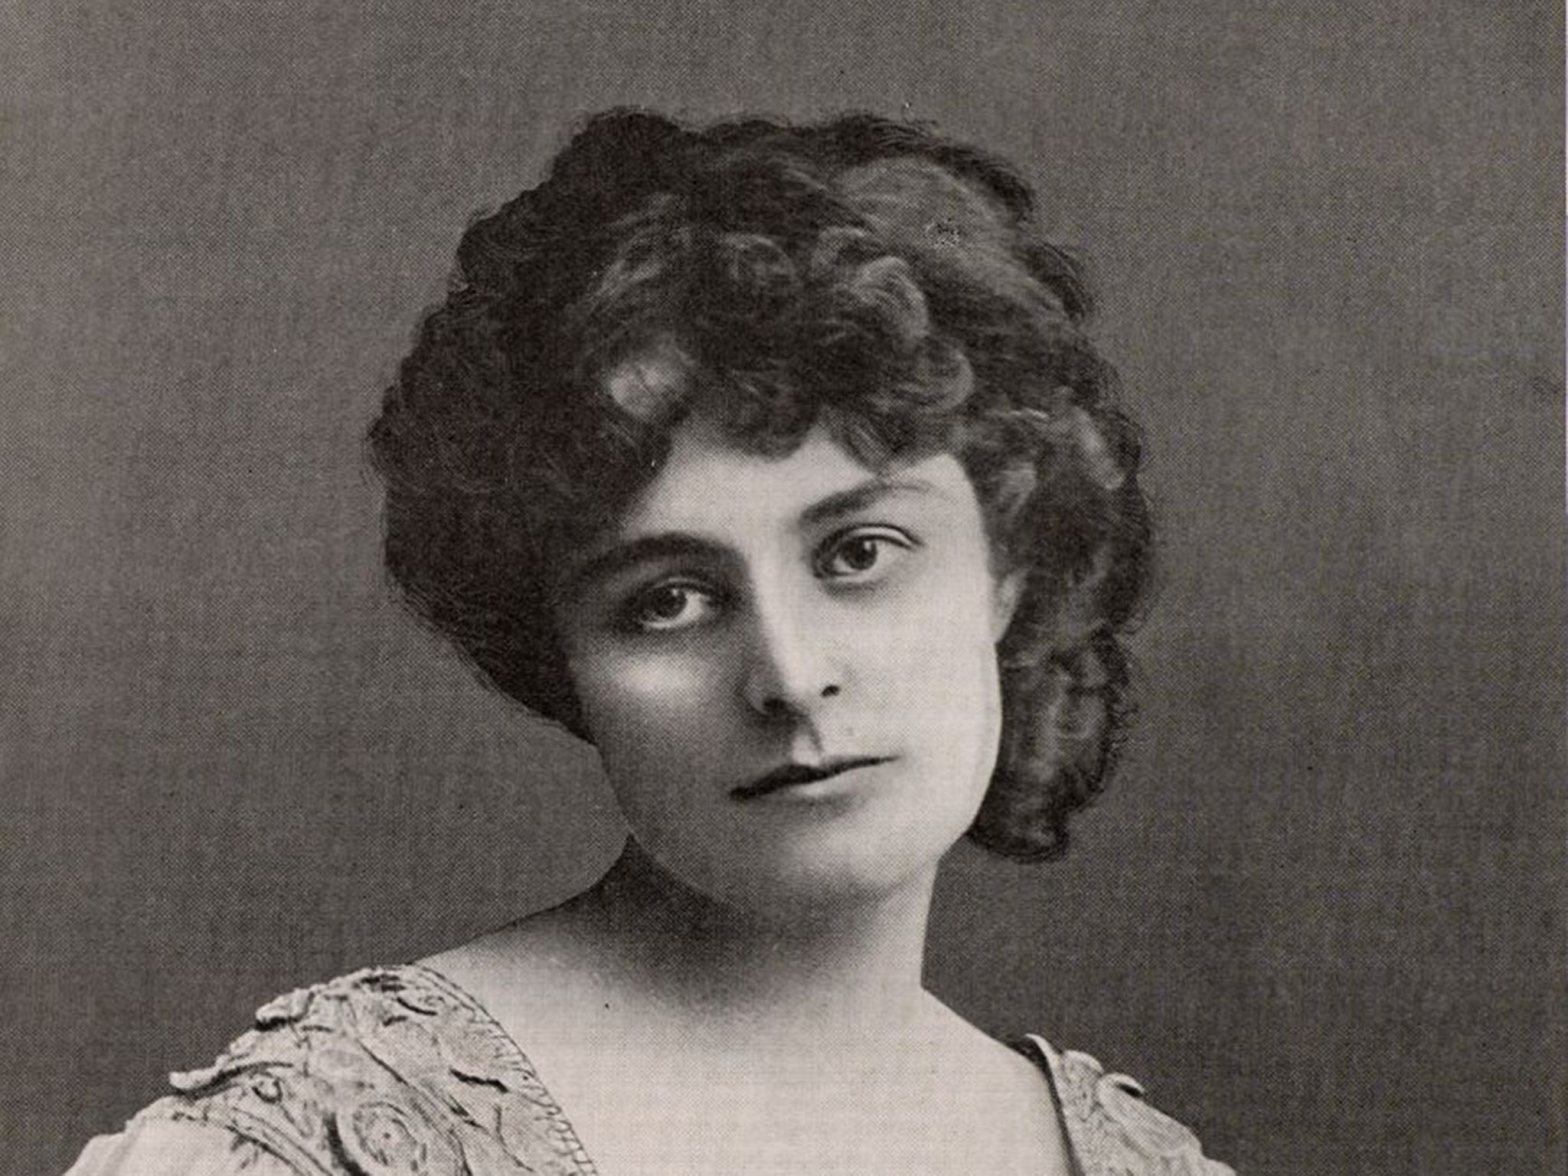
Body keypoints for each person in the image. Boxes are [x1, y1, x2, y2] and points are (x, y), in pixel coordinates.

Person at [66, 109, 1233, 1175]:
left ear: (1006, 572)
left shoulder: (1138, 1165)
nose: (789, 675)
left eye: (858, 554)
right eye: (667, 600)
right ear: (565, 663)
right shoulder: (314, 1144)